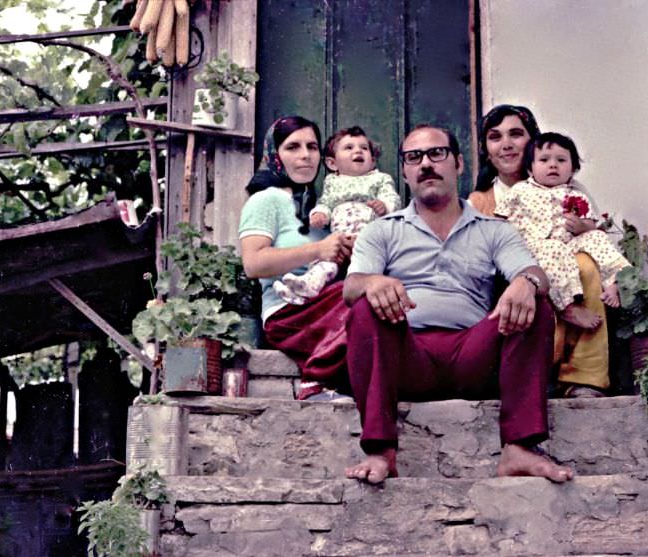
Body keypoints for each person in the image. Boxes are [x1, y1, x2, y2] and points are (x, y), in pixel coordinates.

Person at [342, 124, 574, 484]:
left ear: (459, 163)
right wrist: (373, 282)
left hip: (473, 356)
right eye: (414, 157)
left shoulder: (493, 229)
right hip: (408, 357)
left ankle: (519, 447)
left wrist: (525, 283)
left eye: (437, 154)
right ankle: (382, 451)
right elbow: (351, 286)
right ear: (404, 170)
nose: (426, 164)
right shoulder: (382, 230)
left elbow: (534, 273)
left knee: (535, 303)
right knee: (363, 308)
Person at [469, 105, 610, 398]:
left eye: (516, 134)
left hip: (567, 266)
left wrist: (584, 228)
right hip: (510, 283)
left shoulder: (568, 187)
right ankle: (537, 371)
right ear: (486, 149)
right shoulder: (480, 200)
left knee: (586, 264)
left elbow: (593, 229)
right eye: (495, 137)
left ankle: (584, 376)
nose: (506, 144)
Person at [239, 116, 354, 401]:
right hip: (287, 312)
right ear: (274, 154)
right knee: (357, 299)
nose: (305, 155)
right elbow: (253, 263)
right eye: (293, 147)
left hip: (325, 306)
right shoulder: (266, 200)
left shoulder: (320, 207)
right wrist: (318, 250)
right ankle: (315, 379)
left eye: (312, 147)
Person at [495, 132, 630, 315]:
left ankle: (614, 282)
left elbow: (591, 224)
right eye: (544, 160)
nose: (553, 165)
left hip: (568, 244)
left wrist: (582, 227)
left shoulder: (576, 194)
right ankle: (567, 307)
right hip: (533, 246)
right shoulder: (519, 191)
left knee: (596, 237)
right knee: (553, 249)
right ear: (530, 168)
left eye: (561, 160)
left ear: (573, 169)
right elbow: (499, 219)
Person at [274, 126, 401, 303]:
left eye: (364, 148)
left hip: (368, 237)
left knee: (367, 268)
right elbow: (326, 203)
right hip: (341, 238)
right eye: (349, 148)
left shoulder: (380, 179)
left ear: (372, 161)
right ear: (333, 163)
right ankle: (308, 286)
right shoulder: (332, 182)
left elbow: (391, 197)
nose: (358, 151)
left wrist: (384, 206)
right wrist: (320, 214)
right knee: (327, 260)